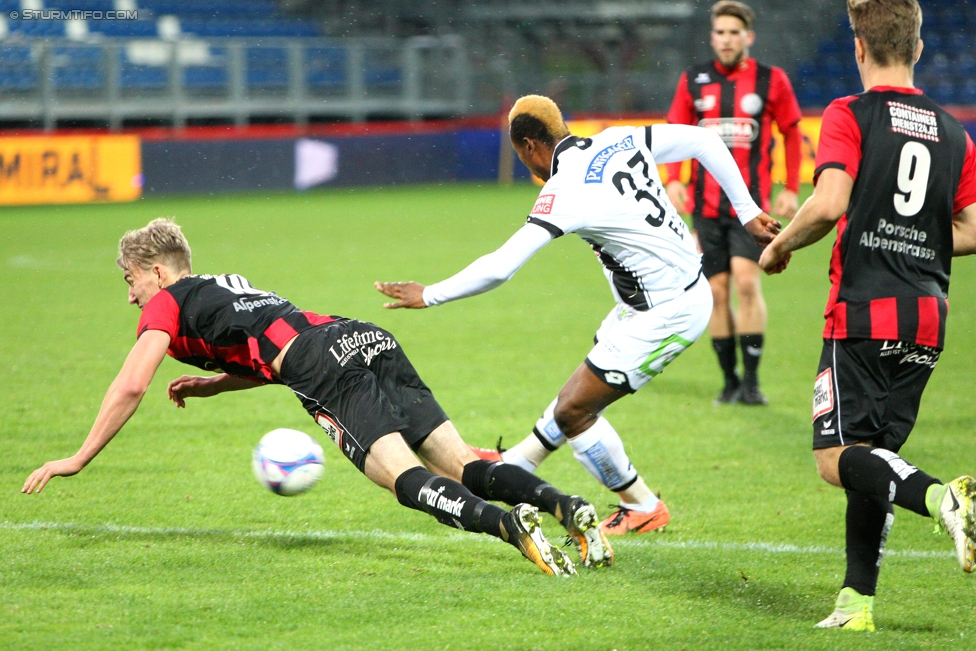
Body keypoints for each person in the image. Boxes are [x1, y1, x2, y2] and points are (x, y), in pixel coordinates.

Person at [21, 218, 615, 577]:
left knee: (401, 480)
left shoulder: (168, 302)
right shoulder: (225, 286)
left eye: (130, 280)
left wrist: (78, 457)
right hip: (359, 335)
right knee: (460, 462)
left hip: (321, 363)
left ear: (154, 270)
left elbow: (130, 383)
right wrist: (215, 383)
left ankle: (512, 529)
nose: (131, 297)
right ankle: (567, 509)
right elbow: (270, 349)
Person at [376, 95, 781, 536]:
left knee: (574, 412)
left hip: (668, 313)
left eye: (520, 155)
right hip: (652, 302)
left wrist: (429, 294)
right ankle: (520, 460)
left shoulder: (565, 188)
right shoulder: (620, 138)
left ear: (530, 146)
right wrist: (748, 212)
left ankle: (642, 504)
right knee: (584, 381)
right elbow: (704, 141)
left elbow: (500, 267)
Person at [758, 0, 976, 631]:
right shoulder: (955, 131)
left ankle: (944, 498)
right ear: (918, 47)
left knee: (838, 459)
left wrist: (778, 246)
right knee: (874, 463)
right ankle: (856, 605)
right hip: (927, 319)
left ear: (858, 47)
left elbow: (827, 205)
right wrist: (912, 232)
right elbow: (970, 228)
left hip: (861, 315)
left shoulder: (848, 114)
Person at [665, 0, 803, 406]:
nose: (726, 39)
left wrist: (791, 186)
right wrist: (674, 180)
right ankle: (729, 381)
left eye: (733, 32)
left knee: (746, 282)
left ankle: (753, 381)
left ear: (749, 37)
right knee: (718, 291)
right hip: (706, 208)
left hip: (751, 208)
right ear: (712, 37)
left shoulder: (770, 80)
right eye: (720, 33)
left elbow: (793, 132)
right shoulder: (694, 80)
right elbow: (675, 133)